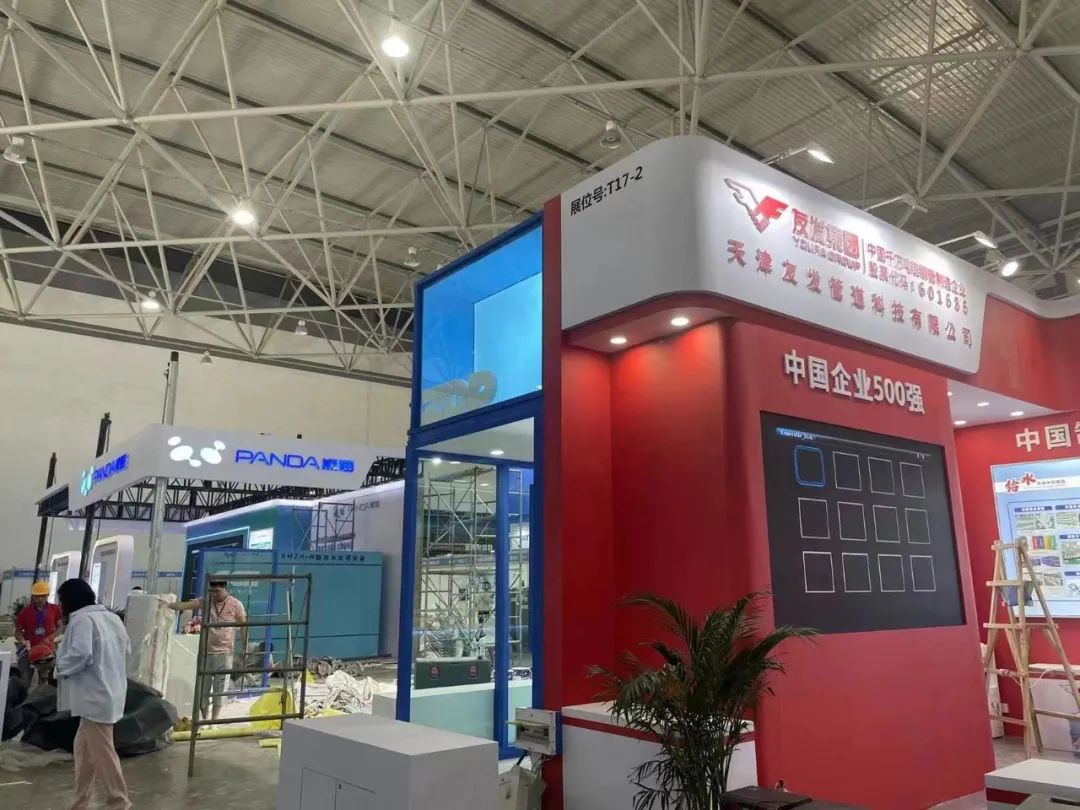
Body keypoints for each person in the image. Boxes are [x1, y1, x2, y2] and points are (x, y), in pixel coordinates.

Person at [55, 578, 131, 810]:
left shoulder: (82, 620)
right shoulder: (111, 618)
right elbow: (126, 649)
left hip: (94, 696)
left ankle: (120, 802)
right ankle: (80, 802)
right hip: (110, 691)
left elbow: (81, 654)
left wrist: (59, 668)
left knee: (103, 753)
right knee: (84, 752)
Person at [169, 578, 247, 721]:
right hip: (206, 652)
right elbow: (185, 605)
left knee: (220, 688)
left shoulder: (236, 604)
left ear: (225, 589)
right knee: (203, 688)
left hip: (225, 653)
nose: (214, 594)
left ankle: (214, 719)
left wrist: (244, 645)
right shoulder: (206, 601)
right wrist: (167, 605)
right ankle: (205, 719)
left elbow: (243, 625)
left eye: (217, 591)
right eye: (212, 591)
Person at [14, 580, 63, 687]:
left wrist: (50, 637)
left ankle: (42, 696)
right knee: (23, 680)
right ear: (33, 596)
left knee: (46, 682)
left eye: (43, 596)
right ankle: (23, 696)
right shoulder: (25, 611)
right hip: (29, 649)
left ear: (48, 595)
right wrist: (23, 641)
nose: (40, 599)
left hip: (47, 650)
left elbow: (60, 627)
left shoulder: (55, 609)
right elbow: (17, 632)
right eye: (37, 596)